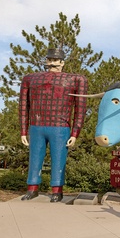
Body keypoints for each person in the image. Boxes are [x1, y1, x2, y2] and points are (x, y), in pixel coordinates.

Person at [19, 47, 87, 202]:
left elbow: (80, 108)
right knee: (35, 158)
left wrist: (75, 133)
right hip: (37, 125)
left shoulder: (76, 80)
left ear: (62, 62)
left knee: (59, 159)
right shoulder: (30, 79)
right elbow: (23, 106)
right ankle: (32, 188)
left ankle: (57, 190)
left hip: (60, 126)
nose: (52, 62)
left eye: (55, 60)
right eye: (50, 59)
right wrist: (23, 131)